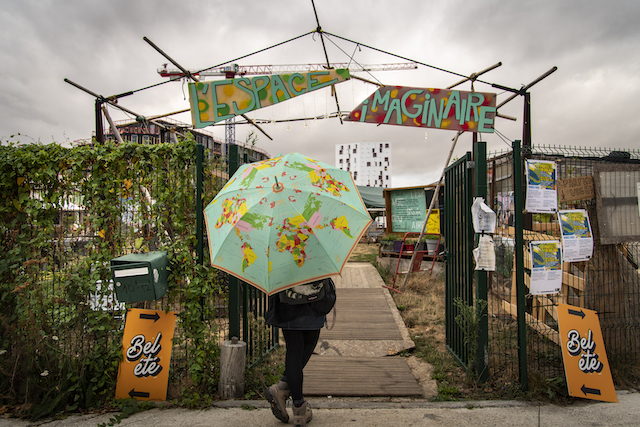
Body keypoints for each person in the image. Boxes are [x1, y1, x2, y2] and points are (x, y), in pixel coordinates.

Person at [264, 279, 332, 426]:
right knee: (307, 345)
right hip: (315, 299)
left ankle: (287, 391)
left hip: (288, 301)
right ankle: (299, 407)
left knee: (294, 350)